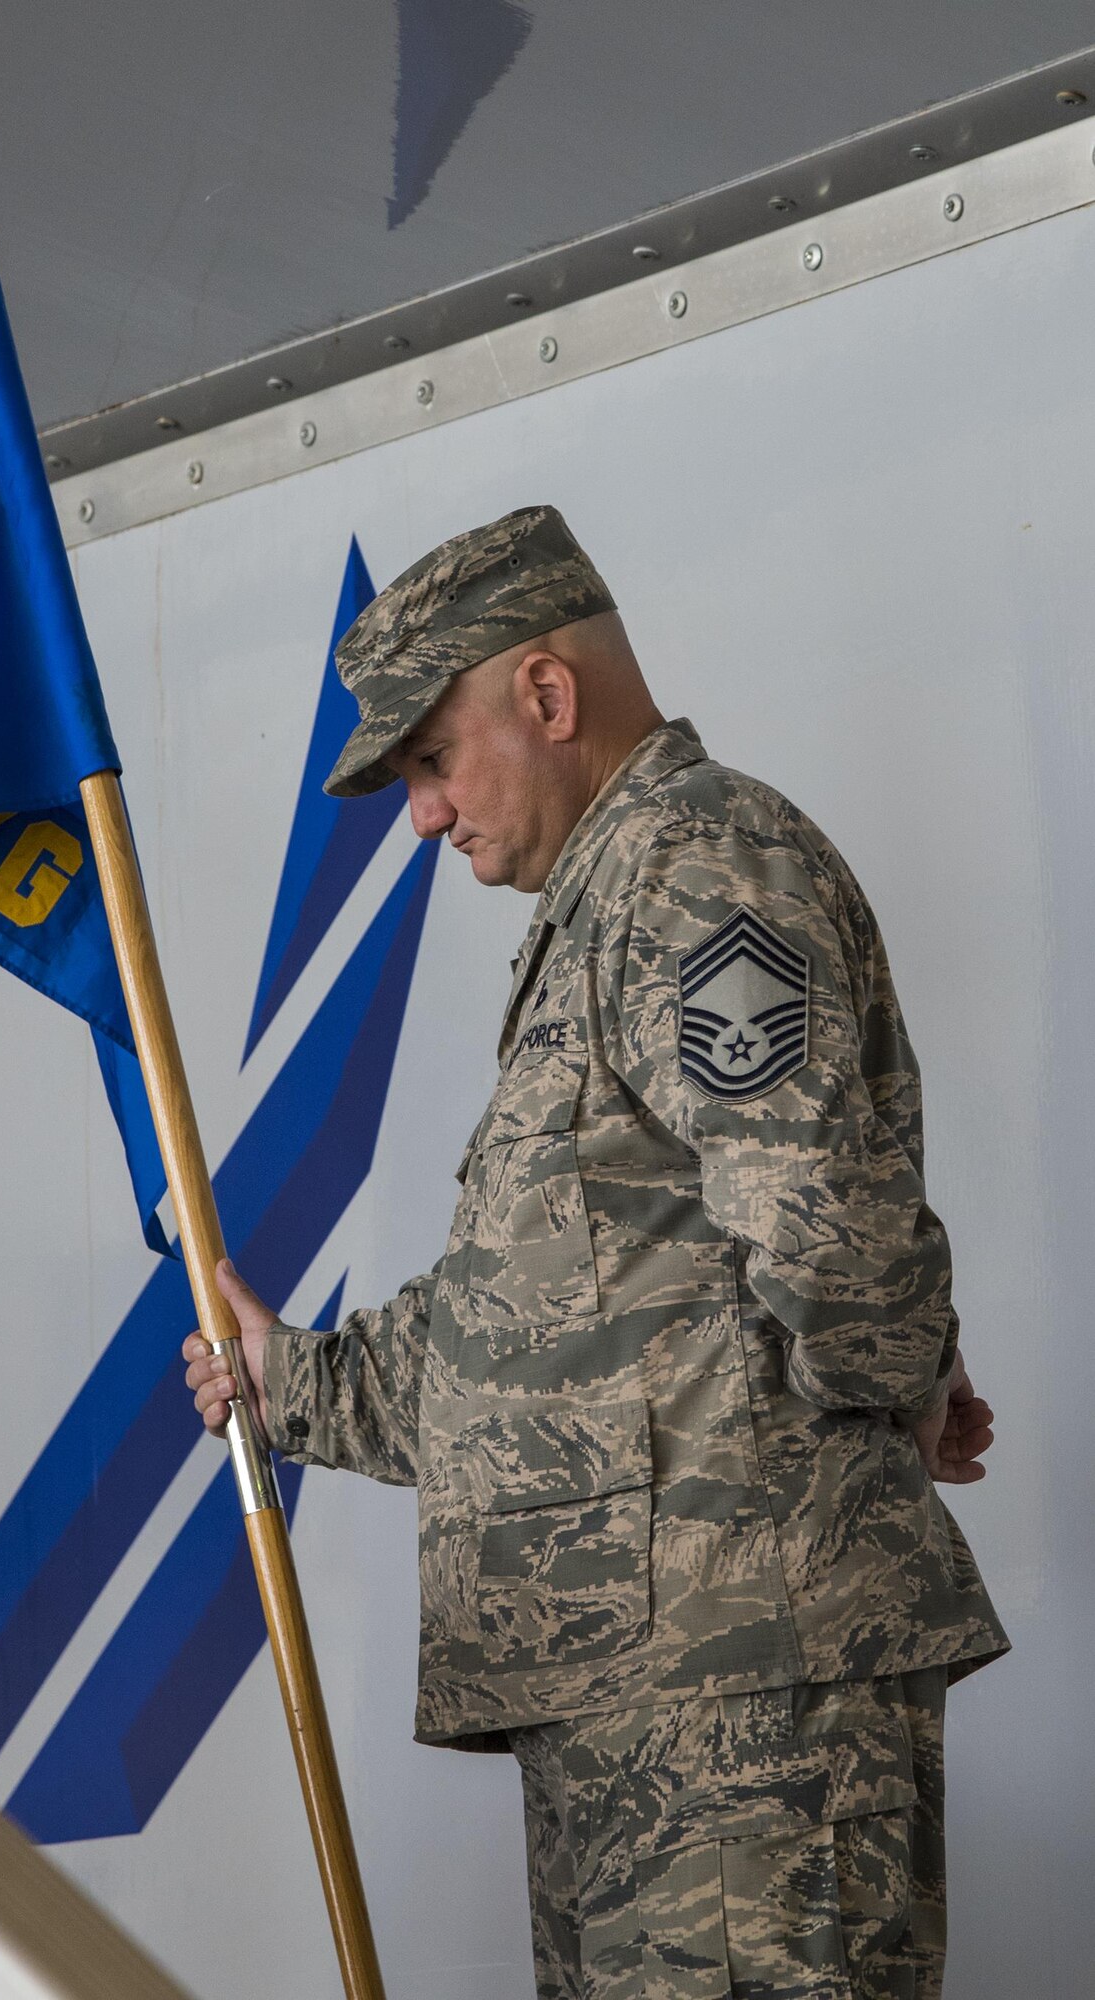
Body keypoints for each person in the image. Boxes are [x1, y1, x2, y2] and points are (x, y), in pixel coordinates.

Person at [184, 505, 1007, 1999]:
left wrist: (889, 1391)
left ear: (546, 697)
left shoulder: (698, 871)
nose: (423, 815)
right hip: (644, 1715)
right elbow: (548, 1323)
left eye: (432, 758)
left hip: (742, 1715)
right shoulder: (607, 909)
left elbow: (828, 1229)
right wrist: (282, 1379)